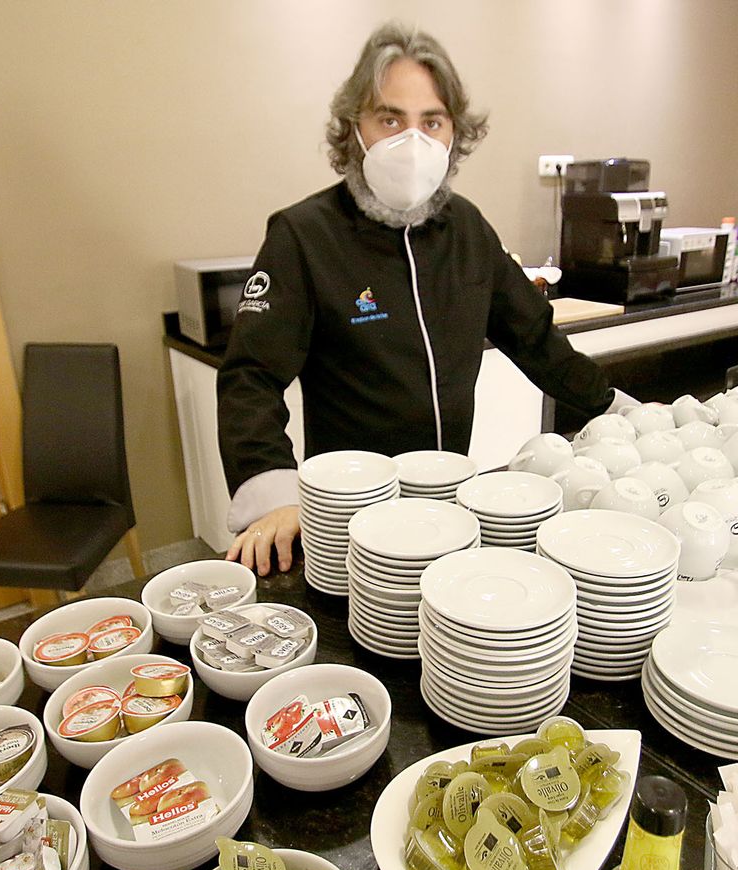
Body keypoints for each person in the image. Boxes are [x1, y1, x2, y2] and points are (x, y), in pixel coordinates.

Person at [218, 22, 629, 575]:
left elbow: (537, 340)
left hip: (451, 507)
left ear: (453, 134)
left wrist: (614, 407)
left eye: (431, 121)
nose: (411, 141)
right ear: (355, 129)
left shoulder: (468, 230)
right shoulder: (304, 235)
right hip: (348, 519)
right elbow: (251, 377)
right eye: (390, 119)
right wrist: (275, 495)